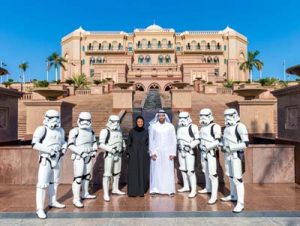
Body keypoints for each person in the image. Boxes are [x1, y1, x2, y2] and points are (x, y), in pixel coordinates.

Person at [32, 110, 67, 219]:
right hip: (46, 159)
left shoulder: (61, 130)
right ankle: (40, 208)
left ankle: (53, 201)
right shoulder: (42, 129)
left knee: (54, 181)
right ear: (46, 118)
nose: (55, 120)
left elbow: (63, 142)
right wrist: (48, 150)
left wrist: (64, 147)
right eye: (52, 117)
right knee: (42, 184)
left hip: (57, 158)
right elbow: (34, 144)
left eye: (57, 117)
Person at [221, 108, 249, 213]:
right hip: (228, 155)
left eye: (230, 115)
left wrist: (231, 148)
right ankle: (233, 195)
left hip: (236, 155)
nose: (227, 118)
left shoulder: (240, 127)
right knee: (231, 176)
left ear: (235, 115)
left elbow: (245, 144)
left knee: (238, 179)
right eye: (226, 116)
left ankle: (240, 203)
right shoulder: (227, 128)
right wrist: (222, 146)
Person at [68, 112, 98, 208]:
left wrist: (94, 150)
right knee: (78, 177)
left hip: (89, 155)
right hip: (79, 156)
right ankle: (76, 198)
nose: (85, 122)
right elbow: (70, 145)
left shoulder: (91, 131)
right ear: (79, 120)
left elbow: (94, 142)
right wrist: (80, 152)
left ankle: (85, 193)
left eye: (87, 120)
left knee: (87, 176)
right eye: (83, 120)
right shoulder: (75, 131)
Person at [149, 109, 177, 195]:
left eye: (163, 116)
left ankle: (169, 190)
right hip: (156, 152)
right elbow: (151, 140)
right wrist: (152, 153)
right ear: (157, 116)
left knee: (167, 171)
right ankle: (155, 189)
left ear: (165, 116)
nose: (161, 117)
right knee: (156, 171)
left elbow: (174, 140)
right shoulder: (153, 126)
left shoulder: (170, 126)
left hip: (167, 153)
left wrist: (173, 153)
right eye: (160, 116)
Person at [99, 115, 126, 202]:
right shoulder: (105, 131)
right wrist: (110, 149)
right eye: (114, 121)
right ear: (110, 121)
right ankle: (106, 193)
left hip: (118, 154)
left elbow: (121, 140)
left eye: (118, 122)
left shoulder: (119, 130)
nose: (116, 123)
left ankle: (115, 189)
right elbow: (101, 144)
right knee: (107, 174)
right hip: (109, 155)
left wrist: (123, 147)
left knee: (117, 173)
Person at [198, 108, 222, 204]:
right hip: (203, 152)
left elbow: (218, 141)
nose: (203, 118)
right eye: (201, 116)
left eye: (205, 116)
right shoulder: (202, 127)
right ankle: (208, 188)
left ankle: (214, 195)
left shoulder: (215, 126)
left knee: (212, 174)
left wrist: (208, 147)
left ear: (210, 116)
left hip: (211, 152)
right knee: (205, 171)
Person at [177, 112, 200, 198]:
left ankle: (193, 190)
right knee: (183, 169)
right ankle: (186, 186)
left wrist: (190, 146)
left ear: (188, 117)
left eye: (184, 118)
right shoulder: (179, 127)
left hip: (189, 151)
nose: (182, 119)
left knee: (190, 171)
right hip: (181, 151)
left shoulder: (193, 127)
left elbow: (198, 139)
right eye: (180, 118)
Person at [126, 116, 150, 197]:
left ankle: (141, 190)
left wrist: (147, 151)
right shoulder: (132, 131)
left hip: (143, 155)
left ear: (143, 122)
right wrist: (129, 153)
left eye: (141, 122)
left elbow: (148, 143)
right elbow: (129, 143)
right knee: (134, 172)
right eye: (138, 121)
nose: (140, 123)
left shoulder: (146, 131)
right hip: (134, 154)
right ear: (136, 122)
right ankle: (133, 191)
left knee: (142, 171)